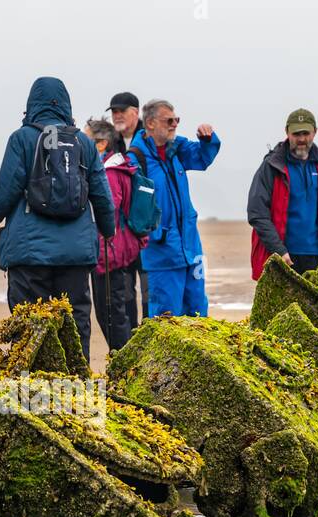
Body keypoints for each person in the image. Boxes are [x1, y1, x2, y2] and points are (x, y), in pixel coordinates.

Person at [0, 77, 115, 363]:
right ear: (66, 105)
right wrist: (108, 230)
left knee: (29, 327)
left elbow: (6, 191)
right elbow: (102, 195)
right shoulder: (84, 144)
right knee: (75, 324)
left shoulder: (22, 139)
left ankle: (32, 392)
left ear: (31, 105)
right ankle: (75, 388)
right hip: (76, 255)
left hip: (29, 255)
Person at [130, 99, 220, 318]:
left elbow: (202, 158)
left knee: (198, 313)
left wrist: (207, 139)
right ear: (150, 123)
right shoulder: (135, 159)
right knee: (166, 318)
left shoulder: (177, 148)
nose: (174, 125)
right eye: (168, 120)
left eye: (176, 120)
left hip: (191, 247)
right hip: (162, 252)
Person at [246, 108, 318, 279]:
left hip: (317, 256)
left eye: (306, 133)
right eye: (296, 134)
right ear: (287, 133)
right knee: (282, 307)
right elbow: (256, 213)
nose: (302, 139)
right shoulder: (272, 166)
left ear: (315, 132)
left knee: (314, 306)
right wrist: (278, 250)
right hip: (282, 257)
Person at [84, 118, 146, 352]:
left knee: (111, 314)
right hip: (117, 250)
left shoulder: (108, 172)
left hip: (110, 253)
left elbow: (108, 211)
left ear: (101, 144)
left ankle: (126, 364)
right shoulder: (114, 167)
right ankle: (127, 360)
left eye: (86, 138)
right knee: (117, 312)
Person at [107, 90, 149, 324]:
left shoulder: (148, 139)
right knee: (125, 294)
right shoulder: (109, 143)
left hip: (144, 229)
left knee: (148, 291)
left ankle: (149, 335)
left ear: (136, 112)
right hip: (121, 233)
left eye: (122, 110)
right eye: (114, 111)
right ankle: (132, 338)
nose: (117, 115)